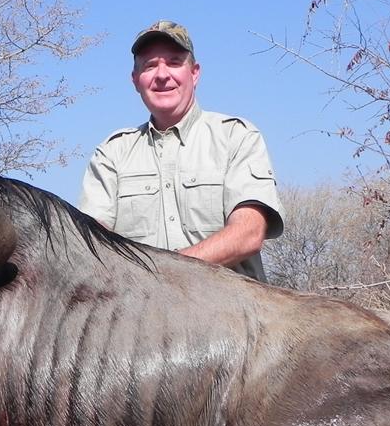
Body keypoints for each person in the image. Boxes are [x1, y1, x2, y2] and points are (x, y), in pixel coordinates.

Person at [78, 20, 284, 281]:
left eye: (174, 62)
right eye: (150, 66)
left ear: (195, 73)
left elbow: (248, 233)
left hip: (230, 305)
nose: (162, 75)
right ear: (135, 80)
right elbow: (89, 249)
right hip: (140, 305)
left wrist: (163, 274)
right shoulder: (111, 154)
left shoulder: (237, 136)